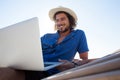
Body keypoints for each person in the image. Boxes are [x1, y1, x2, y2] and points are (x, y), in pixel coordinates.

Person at [25, 6, 91, 80]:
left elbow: (84, 58)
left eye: (62, 19)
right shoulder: (46, 36)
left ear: (70, 20)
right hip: (36, 68)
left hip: (56, 74)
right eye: (57, 20)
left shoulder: (79, 34)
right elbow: (31, 50)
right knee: (12, 69)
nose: (59, 23)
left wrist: (73, 63)